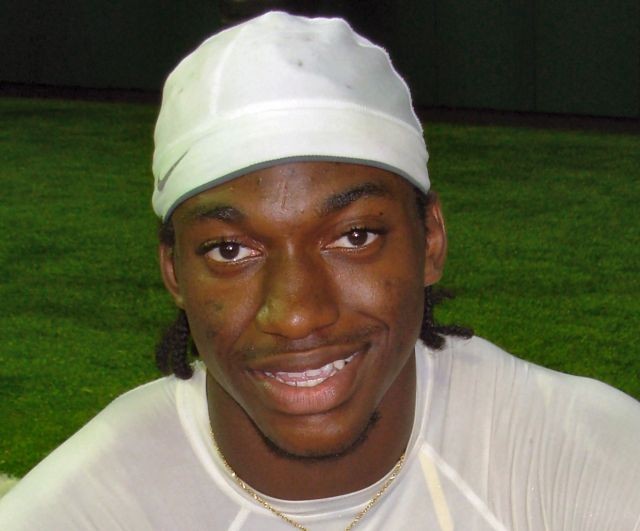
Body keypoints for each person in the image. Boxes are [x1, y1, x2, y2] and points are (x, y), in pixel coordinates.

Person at [1, 11, 639, 531]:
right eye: (230, 251)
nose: (297, 313)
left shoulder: (588, 461)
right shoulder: (80, 511)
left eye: (354, 237)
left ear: (430, 240)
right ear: (174, 273)